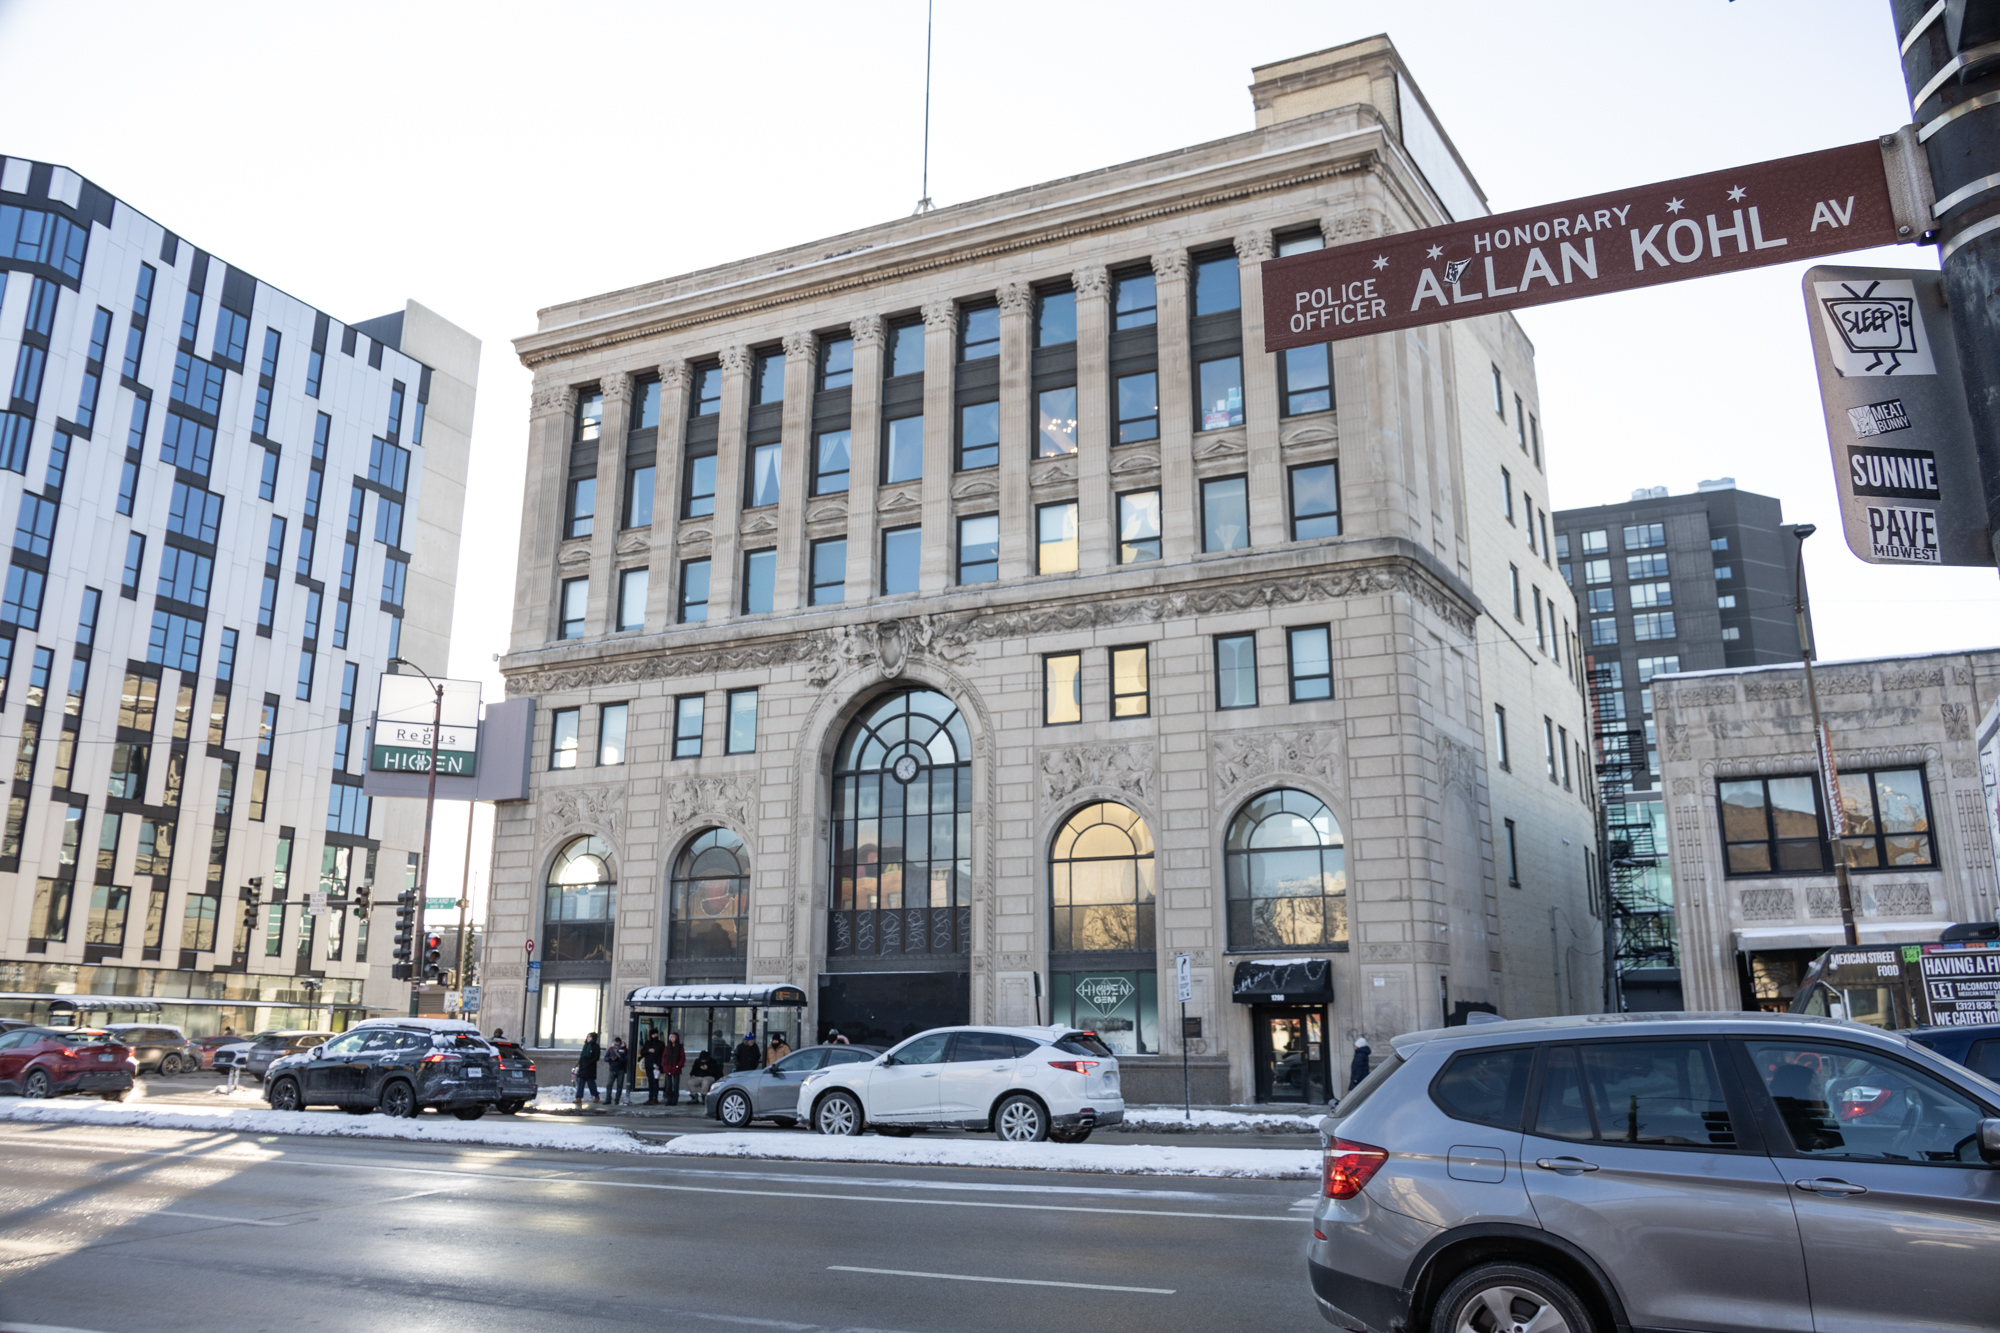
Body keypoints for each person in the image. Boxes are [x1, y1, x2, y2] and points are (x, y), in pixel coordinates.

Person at [574, 1032, 602, 1106]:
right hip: (583, 1067)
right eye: (587, 1037)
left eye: (590, 1037)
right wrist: (580, 1064)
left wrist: (589, 1062)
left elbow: (596, 1057)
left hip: (590, 1068)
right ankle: (579, 1097)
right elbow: (582, 1056)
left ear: (593, 1038)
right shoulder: (585, 1045)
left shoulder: (595, 1046)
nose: (588, 1038)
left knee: (591, 1083)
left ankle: (596, 1095)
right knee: (580, 1083)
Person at [641, 1027, 666, 1104]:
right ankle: (650, 1097)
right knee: (650, 1082)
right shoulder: (648, 1043)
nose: (655, 1035)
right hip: (649, 1065)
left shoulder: (661, 1044)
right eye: (653, 1034)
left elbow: (662, 1055)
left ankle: (655, 1098)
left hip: (656, 1066)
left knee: (655, 1082)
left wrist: (659, 1064)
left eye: (656, 1034)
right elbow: (642, 1052)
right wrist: (648, 1050)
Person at [605, 1037, 630, 1105]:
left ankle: (617, 1100)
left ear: (620, 1044)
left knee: (619, 1086)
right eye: (615, 1045)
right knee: (609, 1085)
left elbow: (627, 1059)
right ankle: (608, 1099)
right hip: (612, 1069)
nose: (616, 1046)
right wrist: (610, 1058)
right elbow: (605, 1058)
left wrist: (618, 1059)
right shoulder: (611, 1049)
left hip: (620, 1069)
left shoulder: (625, 1050)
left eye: (618, 1045)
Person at [662, 1031, 685, 1106]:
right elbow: (664, 1056)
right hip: (668, 1067)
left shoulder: (679, 1047)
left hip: (676, 1068)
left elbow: (682, 1057)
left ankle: (674, 1100)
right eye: (671, 1037)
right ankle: (669, 1099)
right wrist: (664, 1065)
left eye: (674, 1037)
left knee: (675, 1085)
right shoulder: (667, 1047)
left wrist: (678, 1065)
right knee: (668, 1085)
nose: (672, 1039)